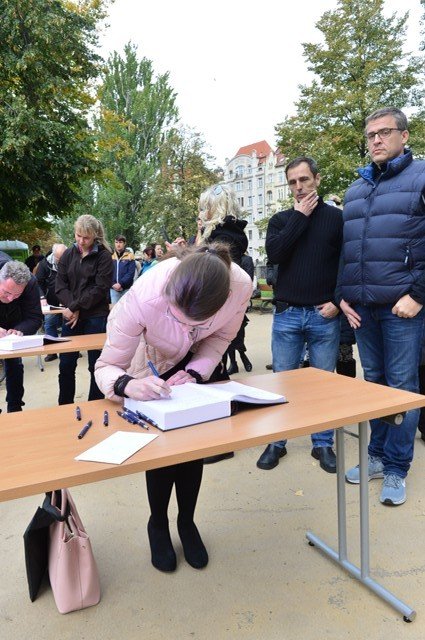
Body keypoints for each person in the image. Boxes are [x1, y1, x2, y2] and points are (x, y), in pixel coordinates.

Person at [95, 243, 252, 573]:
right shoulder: (143, 296)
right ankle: (158, 523)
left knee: (193, 447)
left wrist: (197, 370)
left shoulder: (239, 286)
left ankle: (186, 521)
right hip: (148, 364)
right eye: (177, 317)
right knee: (162, 451)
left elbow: (221, 337)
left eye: (196, 321)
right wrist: (127, 385)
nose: (186, 328)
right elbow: (106, 366)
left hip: (194, 370)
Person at [339, 107, 425, 506]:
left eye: (384, 132)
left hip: (401, 308)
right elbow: (348, 249)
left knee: (403, 388)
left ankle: (396, 468)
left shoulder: (420, 177)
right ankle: (375, 457)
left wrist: (419, 295)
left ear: (404, 136)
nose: (375, 139)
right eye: (370, 134)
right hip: (363, 308)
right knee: (373, 385)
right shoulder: (357, 189)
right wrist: (343, 295)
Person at [256, 156, 343, 473]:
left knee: (322, 385)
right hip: (288, 314)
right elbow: (276, 255)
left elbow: (347, 263)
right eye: (292, 182)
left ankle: (323, 443)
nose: (298, 187)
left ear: (317, 179)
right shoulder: (281, 220)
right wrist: (299, 216)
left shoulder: (336, 219)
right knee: (282, 383)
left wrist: (337, 300)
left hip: (324, 314)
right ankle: (277, 442)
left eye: (304, 180)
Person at [198, 184, 251, 463]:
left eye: (205, 205)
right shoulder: (223, 233)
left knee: (213, 373)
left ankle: (222, 442)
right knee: (212, 371)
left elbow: (217, 275)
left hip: (218, 311)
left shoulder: (224, 236)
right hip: (218, 309)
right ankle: (220, 438)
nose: (201, 211)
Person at [55, 214, 113, 405]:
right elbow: (60, 285)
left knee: (95, 364)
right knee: (65, 364)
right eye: (78, 235)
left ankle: (95, 404)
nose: (81, 240)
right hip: (71, 316)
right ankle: (64, 404)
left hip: (95, 316)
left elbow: (100, 289)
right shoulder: (68, 254)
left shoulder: (104, 256)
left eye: (86, 237)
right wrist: (73, 308)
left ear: (94, 236)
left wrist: (74, 306)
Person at [0, 255, 43, 412]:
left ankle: (15, 407)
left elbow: (35, 317)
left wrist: (20, 330)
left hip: (14, 321)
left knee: (14, 364)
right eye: (6, 292)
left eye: (17, 295)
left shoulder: (30, 282)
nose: (11, 298)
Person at [36, 243, 67, 362]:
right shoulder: (44, 264)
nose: (62, 260)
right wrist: (42, 297)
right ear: (54, 255)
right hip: (50, 300)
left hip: (66, 299)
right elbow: (38, 282)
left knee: (68, 324)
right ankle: (52, 352)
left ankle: (69, 350)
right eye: (59, 258)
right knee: (49, 324)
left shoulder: (70, 261)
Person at [110, 235, 136, 305]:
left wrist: (121, 284)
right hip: (113, 289)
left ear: (124, 243)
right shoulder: (110, 255)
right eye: (116, 242)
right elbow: (107, 272)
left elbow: (130, 273)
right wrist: (112, 284)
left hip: (126, 289)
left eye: (120, 242)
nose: (118, 244)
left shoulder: (130, 255)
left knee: (126, 311)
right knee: (115, 311)